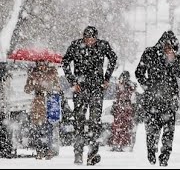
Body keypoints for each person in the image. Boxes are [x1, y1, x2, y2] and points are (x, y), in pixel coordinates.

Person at [62, 26, 117, 165]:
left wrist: (107, 78)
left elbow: (113, 59)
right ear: (83, 37)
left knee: (94, 122)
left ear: (96, 38)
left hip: (97, 88)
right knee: (79, 121)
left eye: (92, 39)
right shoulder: (75, 45)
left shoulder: (102, 45)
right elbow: (65, 62)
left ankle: (92, 154)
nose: (89, 42)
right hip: (80, 88)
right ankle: (78, 153)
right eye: (87, 39)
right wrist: (72, 82)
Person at [135, 30, 180, 167]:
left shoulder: (177, 55)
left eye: (172, 47)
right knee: (152, 130)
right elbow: (139, 72)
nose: (169, 49)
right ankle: (151, 151)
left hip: (170, 100)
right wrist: (147, 87)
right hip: (153, 99)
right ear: (162, 43)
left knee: (169, 132)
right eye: (167, 46)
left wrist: (173, 59)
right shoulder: (150, 53)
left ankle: (165, 157)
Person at [24, 60, 61, 160]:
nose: (41, 64)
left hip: (50, 101)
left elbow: (58, 87)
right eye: (39, 62)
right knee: (38, 128)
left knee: (49, 127)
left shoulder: (52, 72)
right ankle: (40, 150)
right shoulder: (33, 73)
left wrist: (50, 85)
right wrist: (33, 81)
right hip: (38, 102)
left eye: (43, 62)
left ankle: (49, 149)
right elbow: (27, 89)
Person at [110, 71, 137, 152]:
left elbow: (131, 98)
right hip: (122, 109)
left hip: (124, 109)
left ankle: (121, 144)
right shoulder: (122, 86)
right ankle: (119, 143)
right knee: (121, 127)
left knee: (122, 127)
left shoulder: (128, 86)